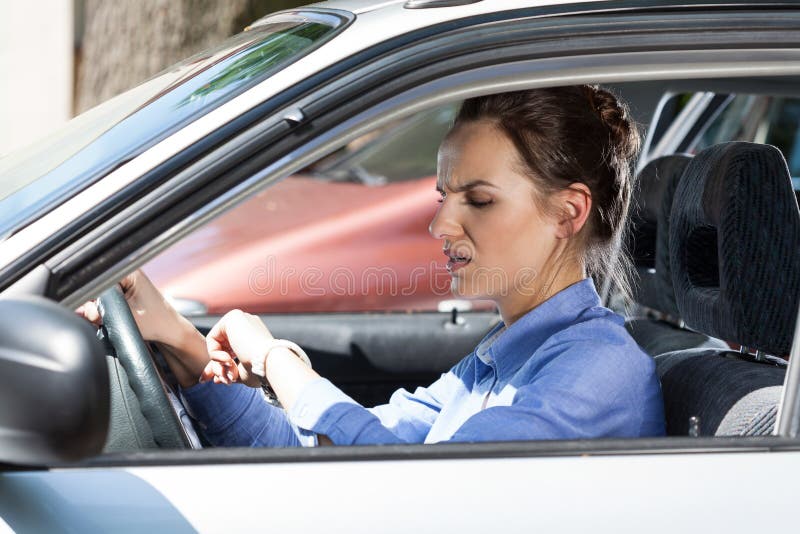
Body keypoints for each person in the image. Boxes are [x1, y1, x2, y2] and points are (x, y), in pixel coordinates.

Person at [79, 86, 666, 446]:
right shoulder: (494, 361)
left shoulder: (598, 373)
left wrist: (276, 359)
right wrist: (188, 349)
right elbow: (340, 449)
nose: (441, 226)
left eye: (479, 200)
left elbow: (415, 490)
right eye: (443, 198)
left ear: (568, 213)